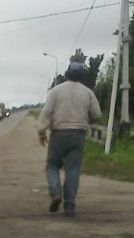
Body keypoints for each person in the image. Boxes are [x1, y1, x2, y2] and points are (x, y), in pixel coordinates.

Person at [38, 62, 102, 217]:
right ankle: (70, 205)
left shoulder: (56, 91)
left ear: (67, 73)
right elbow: (97, 114)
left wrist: (41, 131)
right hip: (78, 134)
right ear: (81, 76)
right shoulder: (87, 93)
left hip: (59, 133)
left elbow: (46, 112)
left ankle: (55, 193)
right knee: (73, 170)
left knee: (52, 165)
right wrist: (86, 121)